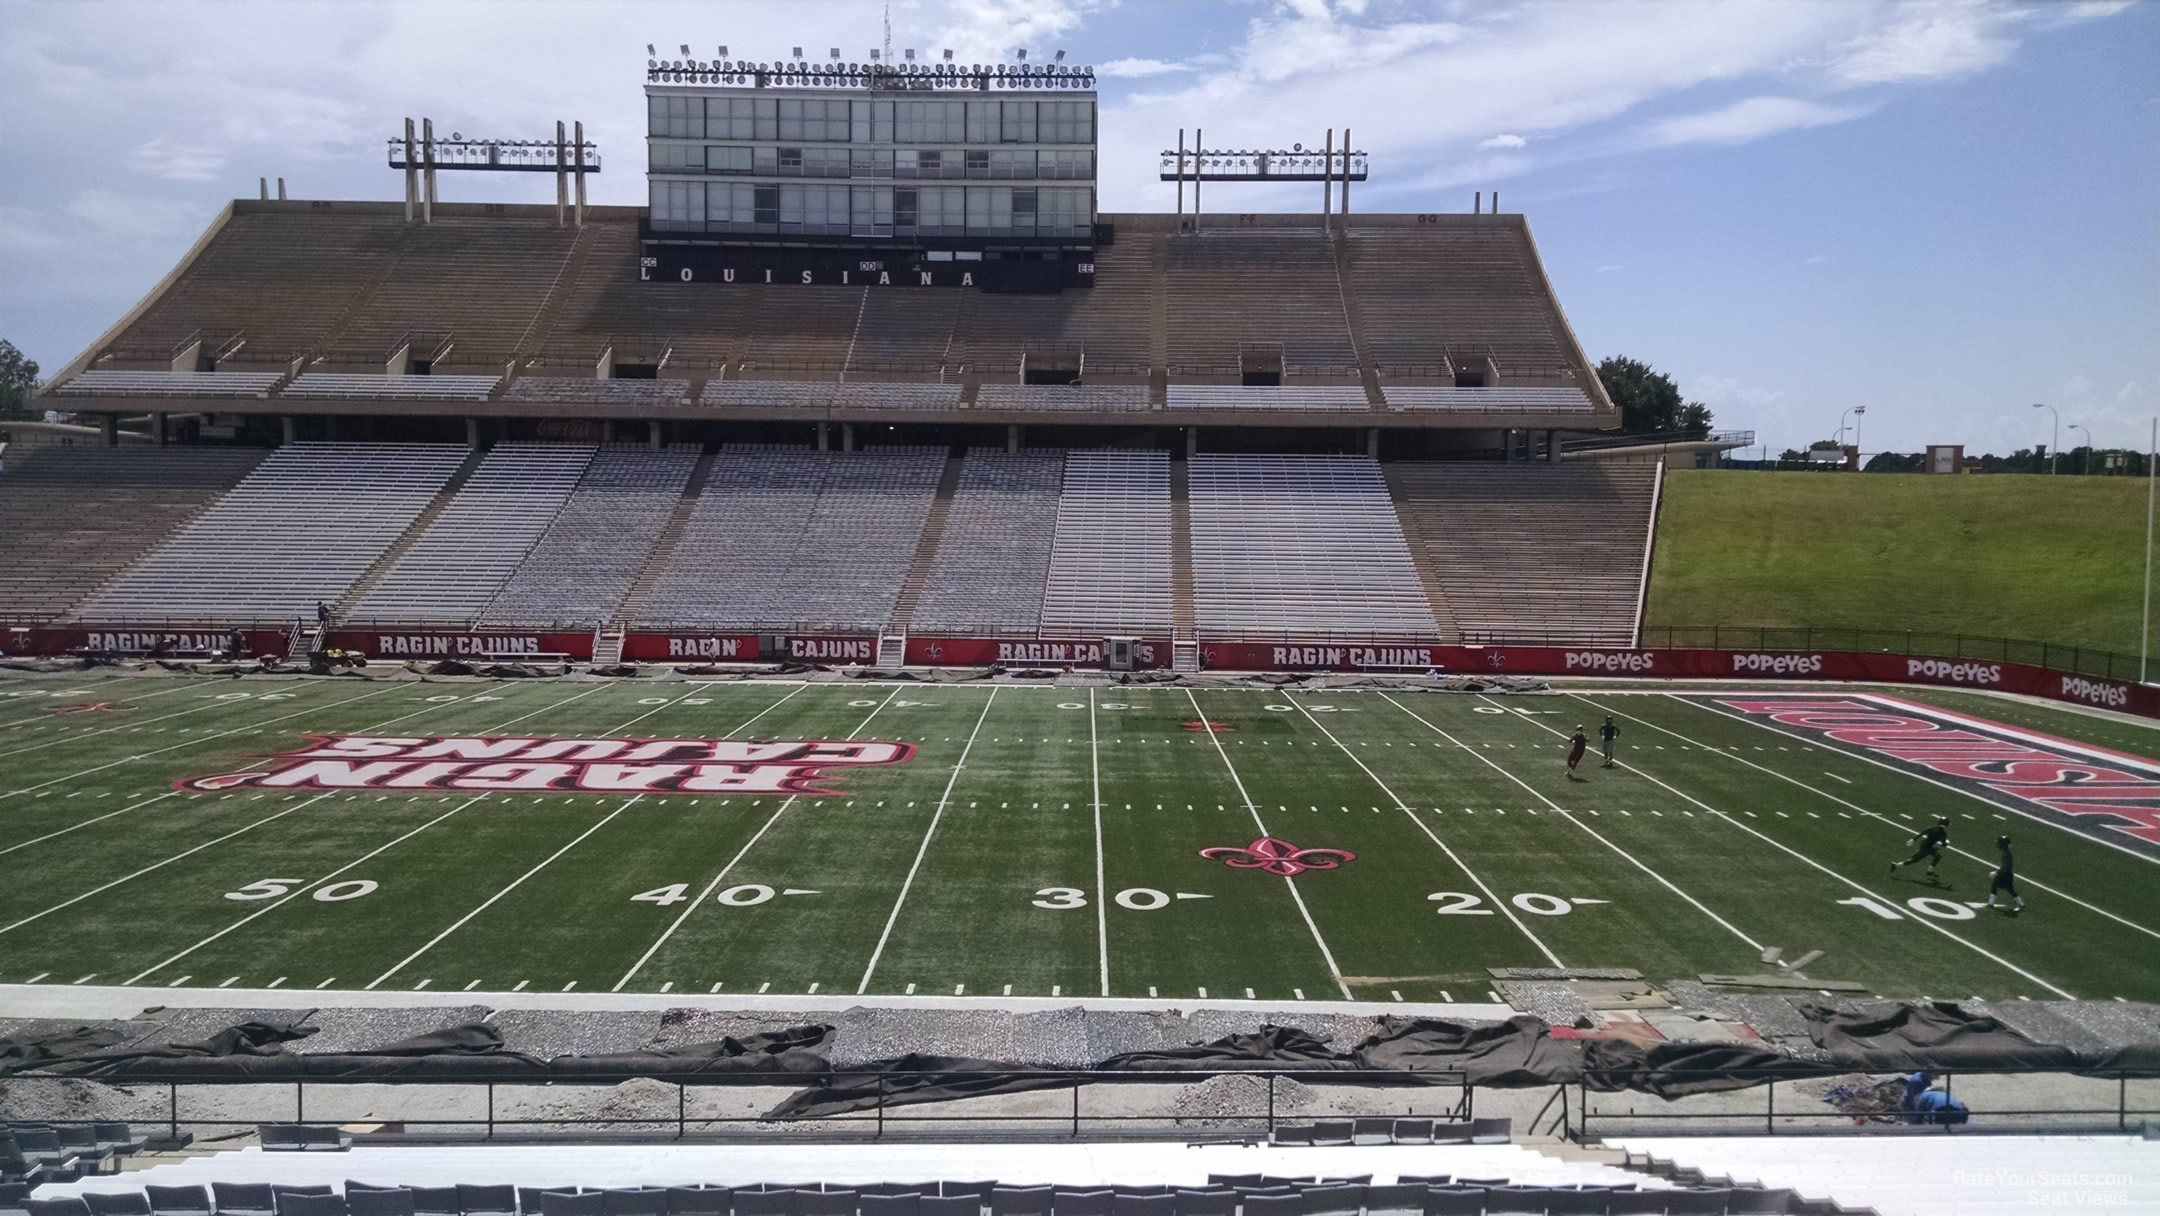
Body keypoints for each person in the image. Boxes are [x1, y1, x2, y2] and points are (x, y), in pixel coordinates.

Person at [1901, 1071, 1970, 1125]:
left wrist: (1919, 1123)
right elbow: (1964, 1109)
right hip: (1956, 1108)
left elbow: (1920, 1113)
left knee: (1939, 1127)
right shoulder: (1947, 1094)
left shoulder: (1925, 1095)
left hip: (1940, 1109)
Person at [1986, 834, 2025, 912]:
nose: (1997, 845)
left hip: (2004, 875)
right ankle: (2021, 904)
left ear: (2003, 845)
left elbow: (2005, 867)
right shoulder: (2006, 852)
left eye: (1999, 843)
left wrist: (1996, 873)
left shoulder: (2006, 854)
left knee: (1995, 886)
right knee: (2010, 889)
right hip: (2007, 874)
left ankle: (1991, 903)